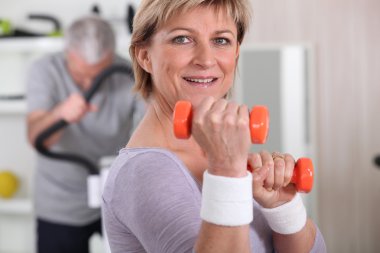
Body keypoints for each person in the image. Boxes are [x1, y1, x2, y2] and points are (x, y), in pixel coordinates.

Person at [102, 0, 327, 252]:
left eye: (221, 41)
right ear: (144, 56)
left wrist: (283, 208)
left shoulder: (218, 150)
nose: (206, 60)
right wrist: (227, 171)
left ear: (236, 52)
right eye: (182, 39)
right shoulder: (146, 172)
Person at [26, 15, 145, 253]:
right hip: (60, 203)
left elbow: (150, 133)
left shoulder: (131, 73)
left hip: (116, 197)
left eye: (99, 73)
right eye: (82, 75)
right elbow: (35, 137)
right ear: (68, 54)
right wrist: (60, 115)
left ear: (112, 56)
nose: (91, 84)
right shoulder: (44, 70)